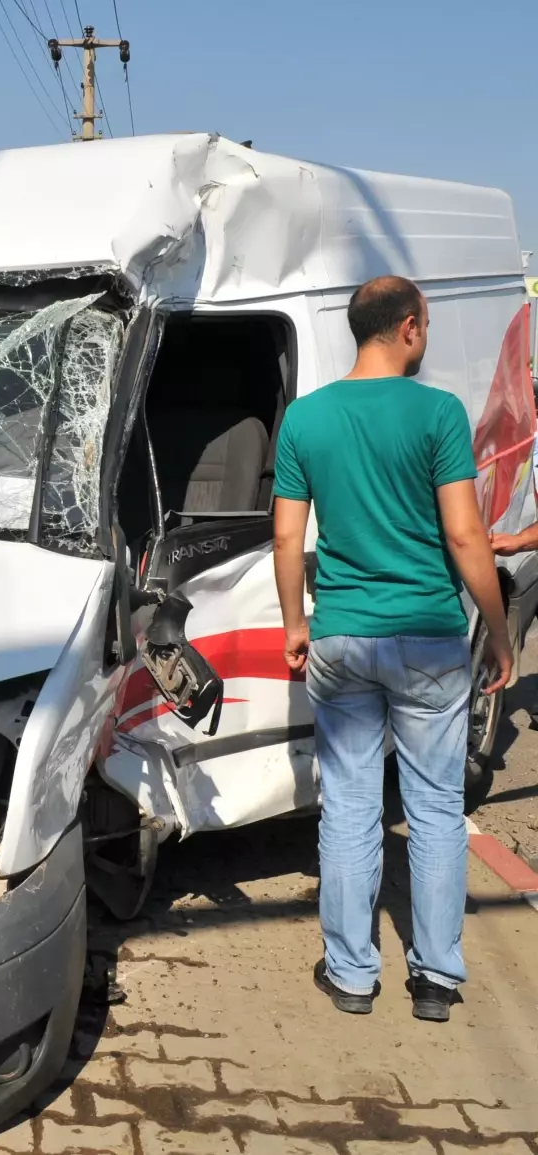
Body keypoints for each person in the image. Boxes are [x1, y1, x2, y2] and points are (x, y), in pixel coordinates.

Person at [272, 275, 513, 1023]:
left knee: (346, 803)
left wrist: (293, 624)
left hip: (342, 633)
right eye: (428, 325)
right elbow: (466, 534)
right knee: (436, 806)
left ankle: (350, 974)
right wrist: (498, 631)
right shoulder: (438, 413)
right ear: (409, 326)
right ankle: (436, 977)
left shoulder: (305, 419)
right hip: (429, 639)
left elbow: (286, 534)